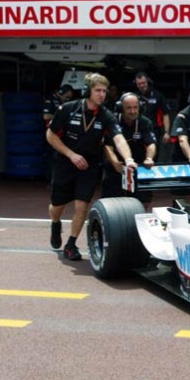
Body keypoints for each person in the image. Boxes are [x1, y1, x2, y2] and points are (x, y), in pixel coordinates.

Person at [47, 73, 137, 261]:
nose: (102, 94)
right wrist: (71, 155)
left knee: (82, 205)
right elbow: (51, 135)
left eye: (104, 91)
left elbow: (118, 139)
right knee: (57, 205)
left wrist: (128, 159)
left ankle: (71, 244)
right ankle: (55, 224)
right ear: (88, 90)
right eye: (98, 90)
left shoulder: (106, 116)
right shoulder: (68, 109)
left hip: (89, 165)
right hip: (65, 162)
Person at [101, 93, 157, 209]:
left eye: (135, 107)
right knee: (112, 204)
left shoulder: (145, 122)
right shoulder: (112, 121)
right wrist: (115, 163)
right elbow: (108, 146)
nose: (132, 111)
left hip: (139, 166)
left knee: (143, 203)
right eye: (128, 108)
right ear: (121, 108)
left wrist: (149, 158)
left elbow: (151, 144)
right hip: (116, 167)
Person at [134, 72, 173, 161]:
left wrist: (167, 132)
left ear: (147, 81)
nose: (141, 85)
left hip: (154, 129)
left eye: (143, 83)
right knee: (138, 155)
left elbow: (165, 114)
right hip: (137, 129)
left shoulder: (158, 95)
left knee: (153, 156)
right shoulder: (134, 96)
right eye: (139, 84)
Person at [43, 84, 75, 185]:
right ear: (61, 92)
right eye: (67, 96)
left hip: (63, 134)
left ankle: (61, 181)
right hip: (51, 134)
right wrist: (61, 117)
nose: (68, 99)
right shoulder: (50, 100)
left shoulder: (63, 102)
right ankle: (51, 181)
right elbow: (46, 116)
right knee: (52, 158)